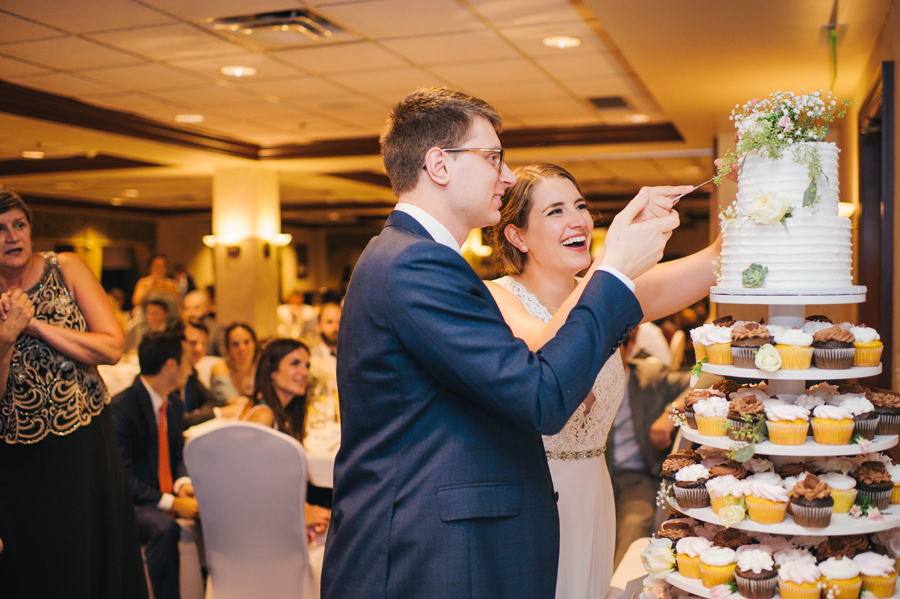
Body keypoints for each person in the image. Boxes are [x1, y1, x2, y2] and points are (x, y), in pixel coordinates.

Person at [321, 87, 681, 599]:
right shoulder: (416, 264)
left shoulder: (410, 257)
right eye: (492, 158)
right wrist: (615, 269)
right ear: (439, 165)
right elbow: (541, 395)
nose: (507, 176)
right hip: (423, 553)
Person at [484, 163, 720, 598]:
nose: (578, 220)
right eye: (555, 211)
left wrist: (751, 184)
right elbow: (545, 352)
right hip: (530, 499)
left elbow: (716, 262)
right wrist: (613, 265)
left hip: (594, 493)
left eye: (580, 205)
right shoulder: (495, 298)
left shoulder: (612, 295)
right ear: (518, 236)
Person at [0, 187, 148, 598]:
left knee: (97, 555)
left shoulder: (65, 268)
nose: (13, 236)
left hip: (85, 443)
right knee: (44, 564)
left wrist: (35, 325)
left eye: (19, 225)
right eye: (0, 229)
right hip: (21, 456)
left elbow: (111, 347)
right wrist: (6, 340)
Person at [110, 329, 200, 599]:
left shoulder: (171, 404)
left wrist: (182, 484)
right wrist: (172, 503)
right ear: (171, 365)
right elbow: (122, 479)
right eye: (187, 361)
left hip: (162, 493)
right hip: (129, 502)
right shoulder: (122, 408)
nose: (192, 369)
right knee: (164, 528)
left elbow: (177, 452)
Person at [608, 333, 692, 569]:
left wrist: (672, 412)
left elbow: (705, 377)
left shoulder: (650, 376)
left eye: (611, 346)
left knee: (633, 527)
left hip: (637, 477)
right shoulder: (580, 381)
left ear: (630, 348)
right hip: (593, 479)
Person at [240, 338, 331, 536]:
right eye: (294, 363)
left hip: (280, 519)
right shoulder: (263, 416)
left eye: (307, 365)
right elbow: (248, 485)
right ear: (272, 371)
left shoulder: (284, 417)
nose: (304, 372)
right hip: (262, 530)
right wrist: (298, 515)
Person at [180, 319, 239, 429]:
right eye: (193, 343)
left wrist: (198, 414)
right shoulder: (171, 374)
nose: (199, 348)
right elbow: (179, 420)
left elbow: (212, 401)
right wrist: (217, 413)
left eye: (203, 344)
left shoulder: (192, 373)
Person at [210, 322, 258, 402]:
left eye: (246, 342)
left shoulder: (262, 366)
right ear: (228, 348)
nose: (242, 348)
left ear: (254, 343)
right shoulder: (220, 367)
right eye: (235, 344)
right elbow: (231, 401)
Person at [308, 301, 340, 398]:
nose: (336, 328)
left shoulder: (355, 355)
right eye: (329, 322)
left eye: (340, 322)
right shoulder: (311, 356)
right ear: (318, 326)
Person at [182, 289, 223, 356]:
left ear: (206, 307)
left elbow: (224, 359)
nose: (190, 313)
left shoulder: (217, 330)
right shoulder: (180, 329)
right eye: (186, 308)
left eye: (196, 308)